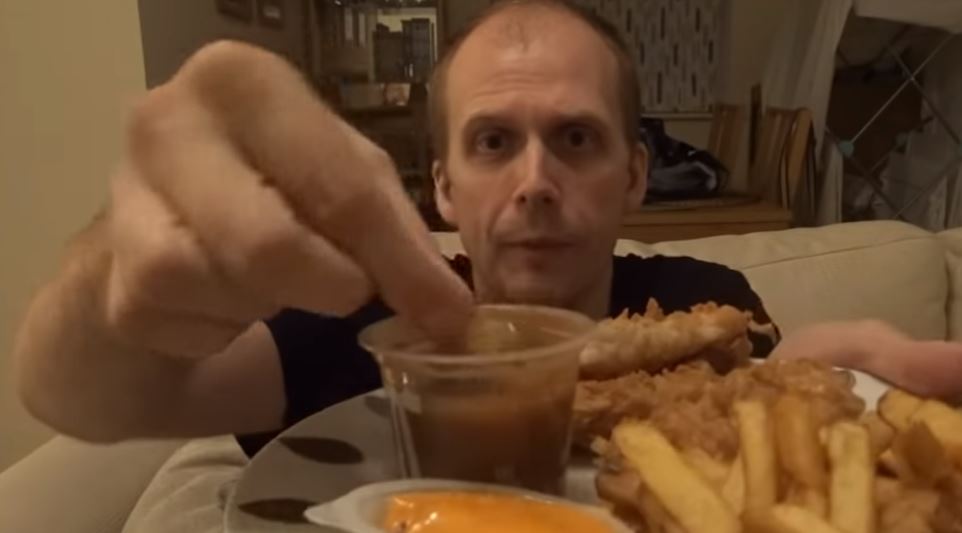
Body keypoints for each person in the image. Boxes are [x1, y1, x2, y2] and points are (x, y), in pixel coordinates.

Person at [12, 0, 962, 463]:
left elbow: (769, 426)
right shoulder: (360, 324)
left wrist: (832, 391)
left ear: (635, 176)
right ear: (442, 187)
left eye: (576, 139)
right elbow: (75, 398)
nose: (536, 183)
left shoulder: (705, 309)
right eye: (493, 142)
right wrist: (117, 262)